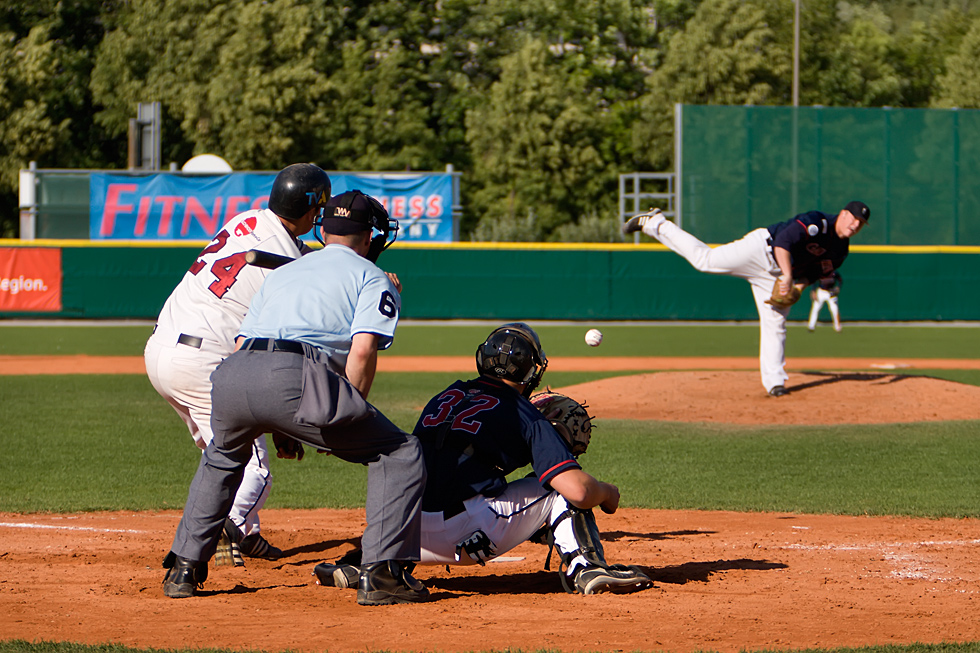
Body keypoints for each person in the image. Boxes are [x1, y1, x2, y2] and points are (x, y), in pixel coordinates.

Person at [161, 190, 431, 607]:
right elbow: (362, 351)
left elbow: (240, 344)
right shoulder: (372, 277)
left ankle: (184, 567)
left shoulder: (287, 272)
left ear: (323, 230)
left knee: (223, 457)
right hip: (296, 376)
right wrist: (349, 411)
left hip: (233, 374)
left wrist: (275, 420)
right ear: (371, 237)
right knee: (401, 453)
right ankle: (382, 574)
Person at [314, 323, 653, 595]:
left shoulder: (445, 396)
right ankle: (588, 568)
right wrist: (607, 492)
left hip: (405, 535)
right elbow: (577, 492)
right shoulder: (525, 414)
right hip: (465, 538)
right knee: (556, 487)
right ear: (531, 372)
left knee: (436, 470)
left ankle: (364, 563)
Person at [145, 162, 330, 562]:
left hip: (161, 349)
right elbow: (281, 338)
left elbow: (293, 256)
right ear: (311, 207)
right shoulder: (285, 258)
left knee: (218, 454)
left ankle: (244, 534)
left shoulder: (247, 220)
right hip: (202, 360)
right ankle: (217, 531)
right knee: (252, 469)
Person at [623, 201, 869, 397]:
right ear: (843, 213)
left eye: (861, 223)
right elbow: (783, 242)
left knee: (776, 322)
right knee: (705, 261)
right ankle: (656, 222)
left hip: (777, 275)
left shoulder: (841, 251)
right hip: (760, 250)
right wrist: (787, 275)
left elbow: (815, 273)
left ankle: (775, 383)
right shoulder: (818, 222)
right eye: (854, 218)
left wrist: (798, 289)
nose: (856, 225)